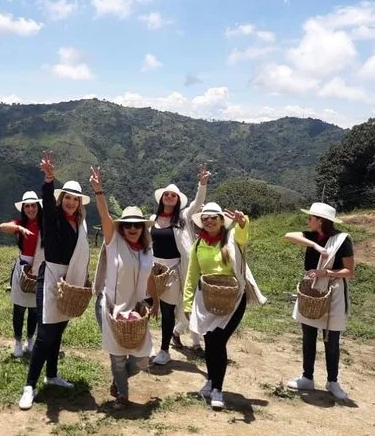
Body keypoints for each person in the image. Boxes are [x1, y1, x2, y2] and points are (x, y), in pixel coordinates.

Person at [19, 151, 91, 411]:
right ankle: (30, 385)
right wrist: (49, 181)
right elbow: (47, 202)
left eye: (75, 199)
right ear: (61, 199)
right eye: (67, 198)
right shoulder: (53, 216)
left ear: (79, 203)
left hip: (69, 278)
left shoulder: (79, 224)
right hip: (49, 277)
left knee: (59, 328)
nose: (71, 202)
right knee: (45, 333)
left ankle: (52, 374)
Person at [183, 202, 267, 410]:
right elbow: (192, 275)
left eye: (214, 217)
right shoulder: (198, 244)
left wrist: (242, 222)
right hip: (208, 300)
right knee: (210, 342)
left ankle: (217, 389)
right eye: (205, 218)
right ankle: (211, 380)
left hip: (233, 300)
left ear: (222, 220)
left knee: (218, 342)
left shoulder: (232, 239)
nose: (209, 221)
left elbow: (242, 236)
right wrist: (187, 302)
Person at [91, 166, 156, 410]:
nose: (132, 228)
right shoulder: (114, 241)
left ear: (143, 228)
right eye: (128, 225)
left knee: (142, 359)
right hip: (111, 306)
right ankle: (122, 395)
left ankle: (118, 381)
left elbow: (150, 276)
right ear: (122, 227)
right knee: (118, 356)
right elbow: (104, 215)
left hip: (136, 309)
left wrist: (156, 302)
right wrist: (99, 191)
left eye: (137, 225)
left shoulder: (147, 250)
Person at [284, 202, 355, 401]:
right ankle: (307, 377)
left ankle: (332, 381)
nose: (308, 221)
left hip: (333, 291)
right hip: (312, 289)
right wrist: (315, 246)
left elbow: (349, 271)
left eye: (311, 218)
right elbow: (288, 235)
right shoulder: (312, 237)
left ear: (320, 221)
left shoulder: (342, 241)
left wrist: (326, 272)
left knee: (331, 339)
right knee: (308, 334)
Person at [149, 166, 210, 366]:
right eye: (166, 194)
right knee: (145, 306)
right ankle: (144, 345)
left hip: (173, 271)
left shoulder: (182, 218)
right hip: (151, 270)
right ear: (161, 198)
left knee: (167, 311)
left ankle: (164, 350)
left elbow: (197, 203)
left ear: (177, 200)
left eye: (173, 195)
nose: (169, 197)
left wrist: (202, 184)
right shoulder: (153, 220)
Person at [0, 191, 44, 357]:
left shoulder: (44, 224)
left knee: (34, 308)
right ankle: (17, 342)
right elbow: (2, 227)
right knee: (19, 307)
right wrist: (19, 228)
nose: (30, 209)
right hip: (22, 267)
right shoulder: (20, 223)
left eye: (33, 205)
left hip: (39, 266)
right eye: (27, 206)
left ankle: (29, 341)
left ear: (38, 207)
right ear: (23, 209)